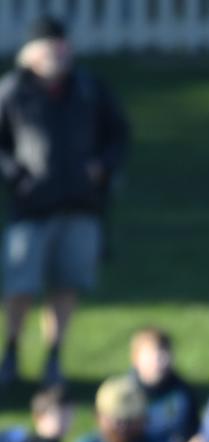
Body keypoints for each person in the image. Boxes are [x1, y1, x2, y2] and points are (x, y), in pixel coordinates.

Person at [0, 16, 129, 385]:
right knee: (20, 286)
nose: (59, 53)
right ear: (31, 53)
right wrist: (16, 176)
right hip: (31, 205)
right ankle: (10, 352)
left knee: (66, 284)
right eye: (50, 46)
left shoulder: (88, 88)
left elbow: (117, 134)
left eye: (62, 45)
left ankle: (53, 357)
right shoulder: (12, 91)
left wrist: (103, 167)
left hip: (81, 204)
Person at [130, 326, 200, 442]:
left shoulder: (183, 393)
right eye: (153, 354)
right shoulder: (124, 392)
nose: (162, 361)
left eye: (165, 353)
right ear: (136, 358)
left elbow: (194, 435)